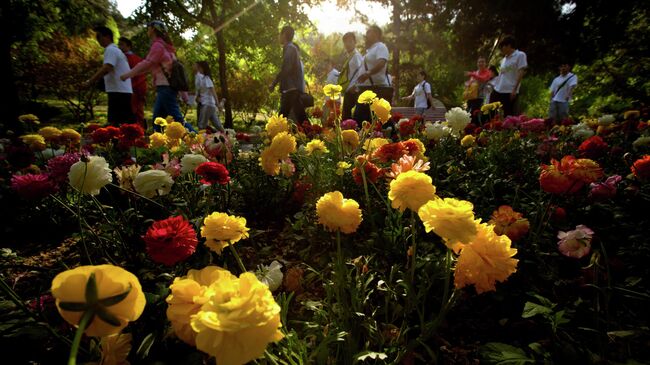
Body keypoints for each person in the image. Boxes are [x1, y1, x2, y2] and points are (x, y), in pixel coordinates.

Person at [120, 20, 194, 132]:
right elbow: (154, 67)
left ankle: (199, 139)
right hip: (166, 88)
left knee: (176, 119)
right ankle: (159, 144)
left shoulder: (158, 46)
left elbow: (147, 63)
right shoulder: (167, 48)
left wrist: (128, 74)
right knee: (158, 119)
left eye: (148, 28)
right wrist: (184, 96)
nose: (147, 30)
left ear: (153, 29)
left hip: (165, 88)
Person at [84, 26, 134, 125]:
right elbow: (109, 70)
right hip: (121, 90)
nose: (98, 40)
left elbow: (107, 67)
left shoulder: (111, 50)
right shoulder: (115, 50)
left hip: (118, 91)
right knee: (123, 123)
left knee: (116, 123)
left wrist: (90, 81)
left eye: (99, 37)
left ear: (107, 37)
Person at [269, 25, 307, 124]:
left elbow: (286, 69)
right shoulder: (290, 48)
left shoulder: (290, 48)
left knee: (283, 117)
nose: (279, 37)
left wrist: (274, 83)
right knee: (299, 116)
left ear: (284, 34)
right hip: (292, 89)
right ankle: (312, 134)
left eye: (280, 34)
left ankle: (276, 136)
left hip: (291, 89)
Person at [353, 25, 391, 123]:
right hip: (366, 89)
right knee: (361, 119)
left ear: (376, 34)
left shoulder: (381, 47)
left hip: (377, 89)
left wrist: (368, 73)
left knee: (377, 120)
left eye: (369, 32)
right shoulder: (371, 50)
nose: (367, 35)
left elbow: (381, 62)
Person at [490, 36, 527, 117]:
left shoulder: (520, 55)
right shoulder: (504, 59)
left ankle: (508, 129)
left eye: (503, 47)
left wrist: (514, 89)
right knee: (490, 111)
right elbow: (501, 75)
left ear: (509, 45)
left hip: (509, 91)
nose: (501, 49)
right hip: (498, 89)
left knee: (508, 114)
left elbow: (521, 72)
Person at [118, 37, 147, 127]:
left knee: (134, 111)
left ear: (129, 46)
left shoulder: (127, 58)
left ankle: (137, 131)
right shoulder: (136, 58)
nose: (120, 47)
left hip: (134, 87)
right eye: (119, 45)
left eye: (122, 44)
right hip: (139, 87)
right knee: (138, 111)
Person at [194, 61, 225, 132]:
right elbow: (201, 92)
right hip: (209, 105)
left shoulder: (207, 79)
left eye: (199, 68)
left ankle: (201, 142)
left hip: (207, 105)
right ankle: (228, 138)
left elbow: (213, 92)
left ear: (203, 68)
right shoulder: (202, 79)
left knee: (201, 126)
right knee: (218, 125)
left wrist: (218, 105)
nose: (198, 69)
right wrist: (197, 98)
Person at [339, 32, 364, 120]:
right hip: (349, 90)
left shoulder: (356, 56)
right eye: (345, 42)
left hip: (354, 90)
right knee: (347, 116)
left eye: (350, 41)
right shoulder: (351, 56)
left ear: (355, 42)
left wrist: (356, 86)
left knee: (349, 117)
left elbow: (361, 72)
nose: (347, 44)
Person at [464, 57, 494, 123]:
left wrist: (472, 74)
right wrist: (467, 84)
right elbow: (470, 83)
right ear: (477, 63)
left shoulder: (487, 72)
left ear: (485, 64)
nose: (480, 63)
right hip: (471, 97)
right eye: (479, 62)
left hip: (479, 97)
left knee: (474, 114)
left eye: (482, 62)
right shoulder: (475, 72)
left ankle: (475, 128)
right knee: (468, 114)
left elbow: (483, 79)